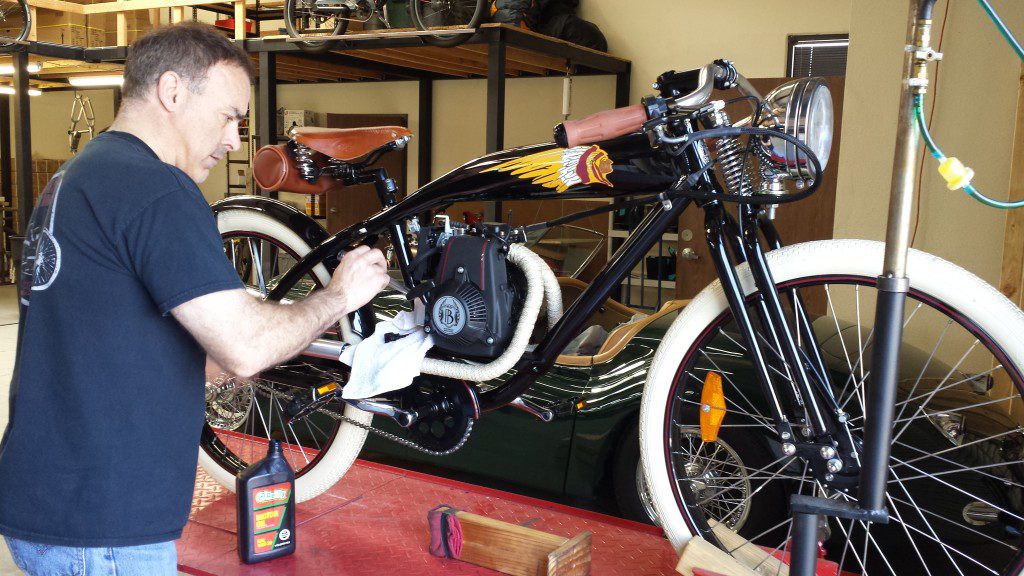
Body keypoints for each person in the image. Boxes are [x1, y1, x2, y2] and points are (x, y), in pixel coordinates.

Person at [0, 23, 389, 575]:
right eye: (229, 115)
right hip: (105, 527)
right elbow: (247, 347)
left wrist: (252, 346)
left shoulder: (80, 177)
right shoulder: (156, 188)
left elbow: (119, 346)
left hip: (53, 504)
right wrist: (337, 297)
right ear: (173, 91)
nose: (234, 139)